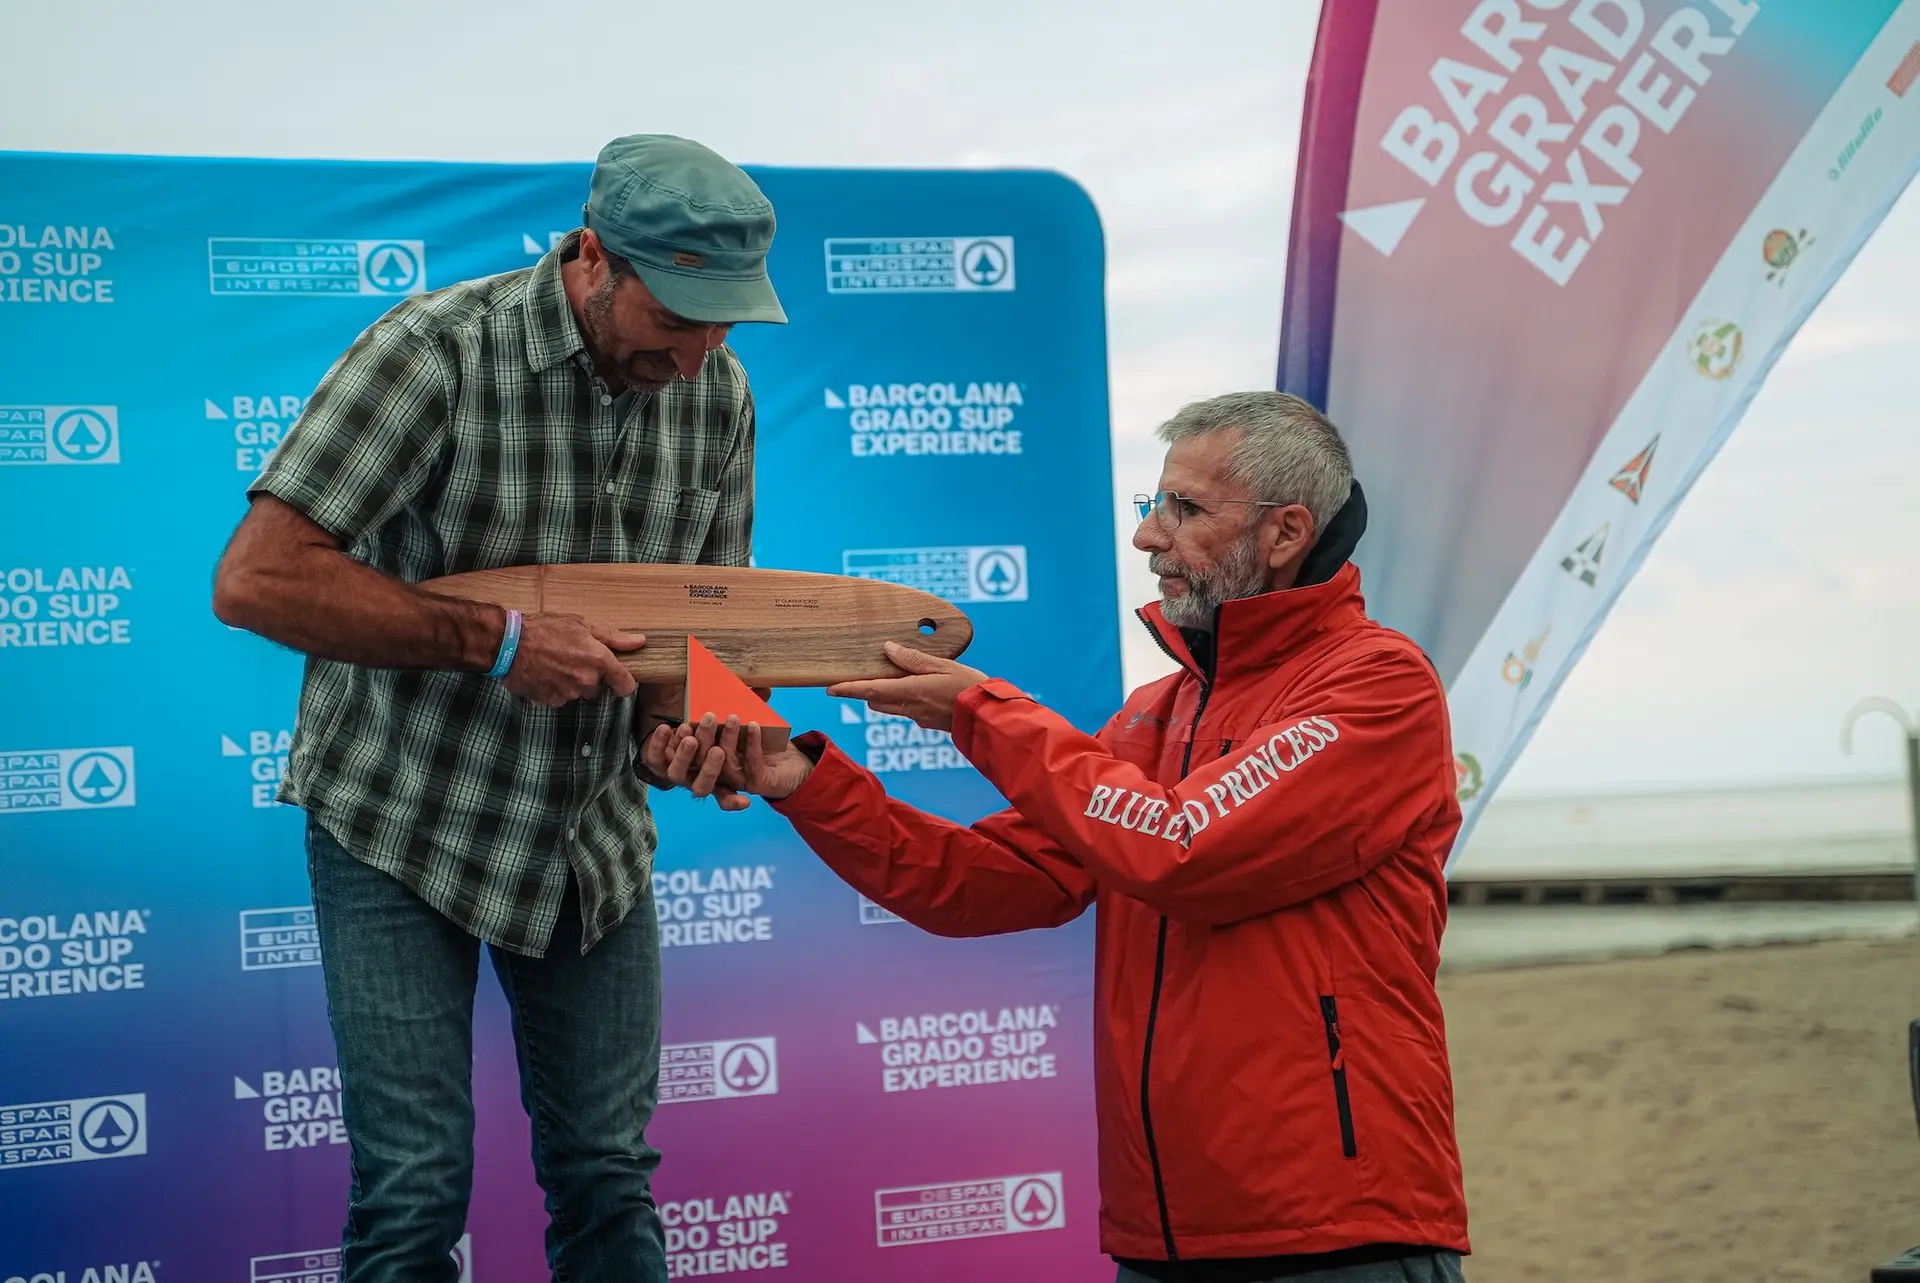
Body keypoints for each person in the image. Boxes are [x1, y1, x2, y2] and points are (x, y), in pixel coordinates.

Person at [650, 391, 1472, 1283]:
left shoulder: (1377, 685)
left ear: (1286, 532)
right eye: (1154, 504)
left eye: (1185, 509)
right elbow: (972, 881)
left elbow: (1179, 846)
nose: (1148, 536)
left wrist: (982, 710)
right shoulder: (1159, 711)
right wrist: (798, 777)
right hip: (1160, 1238)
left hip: (1337, 1235)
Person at [211, 133, 787, 1283]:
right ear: (594, 258)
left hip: (591, 842)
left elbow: (702, 635)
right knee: (415, 1186)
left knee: (608, 1172)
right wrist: (497, 641)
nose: (697, 356)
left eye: (725, 323)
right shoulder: (433, 352)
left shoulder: (717, 391)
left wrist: (707, 726)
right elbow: (257, 580)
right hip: (401, 816)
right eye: (678, 317)